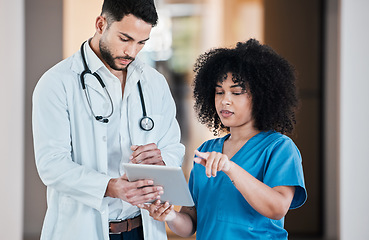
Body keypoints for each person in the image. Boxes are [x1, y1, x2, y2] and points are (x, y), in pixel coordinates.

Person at [32, 0, 184, 240]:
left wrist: (162, 160)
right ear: (101, 24)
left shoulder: (154, 82)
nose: (132, 52)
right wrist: (111, 187)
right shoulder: (57, 83)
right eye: (125, 39)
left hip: (143, 228)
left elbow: (173, 146)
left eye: (141, 43)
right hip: (84, 229)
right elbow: (52, 165)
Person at [140, 39, 307, 239]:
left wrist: (231, 168)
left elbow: (277, 208)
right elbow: (190, 223)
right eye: (219, 92)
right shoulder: (207, 149)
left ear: (262, 96)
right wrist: (170, 216)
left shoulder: (279, 148)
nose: (224, 100)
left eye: (236, 92)